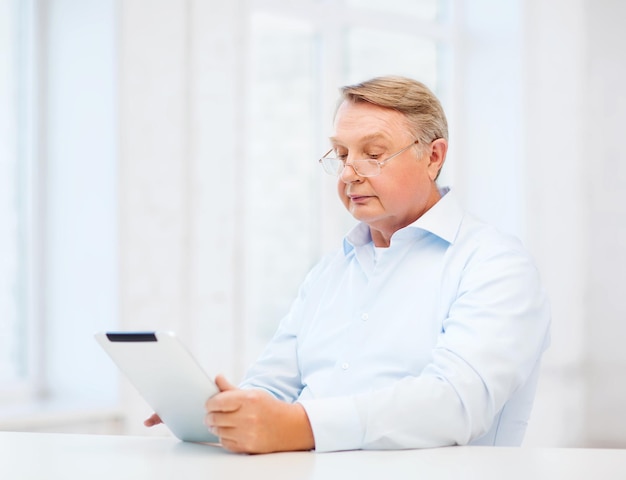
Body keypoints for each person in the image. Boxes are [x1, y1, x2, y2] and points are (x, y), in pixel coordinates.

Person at [145, 75, 551, 454]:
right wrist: (226, 412)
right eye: (341, 154)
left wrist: (301, 426)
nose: (349, 173)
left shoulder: (495, 264)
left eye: (372, 154)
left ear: (433, 156)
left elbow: (458, 403)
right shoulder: (331, 270)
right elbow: (275, 383)